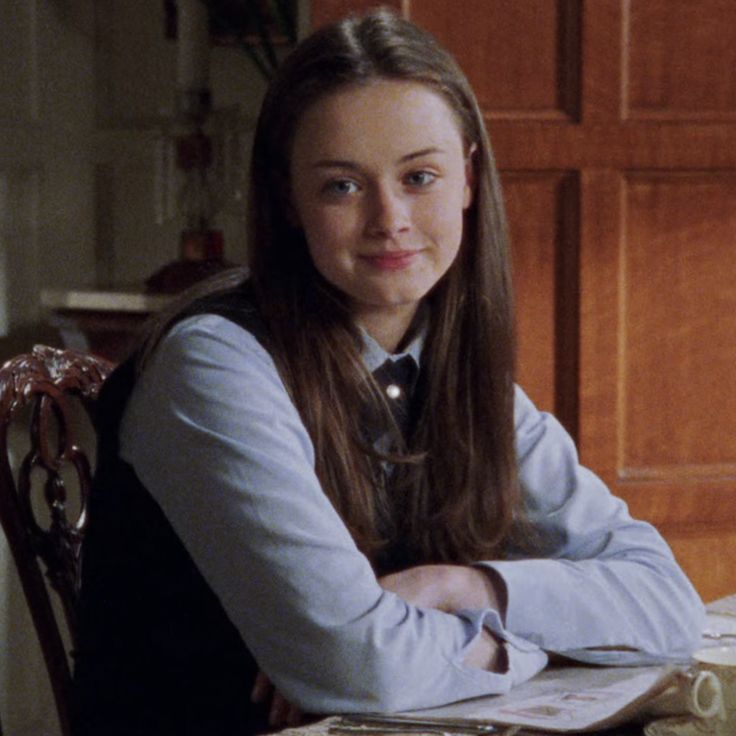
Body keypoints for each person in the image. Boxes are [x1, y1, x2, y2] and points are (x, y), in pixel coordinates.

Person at [73, 8, 705, 736]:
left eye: (420, 176)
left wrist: (466, 585)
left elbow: (666, 603)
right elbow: (360, 665)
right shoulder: (214, 366)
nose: (391, 218)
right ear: (288, 199)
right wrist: (513, 643)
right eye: (342, 186)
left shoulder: (449, 366)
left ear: (467, 179)